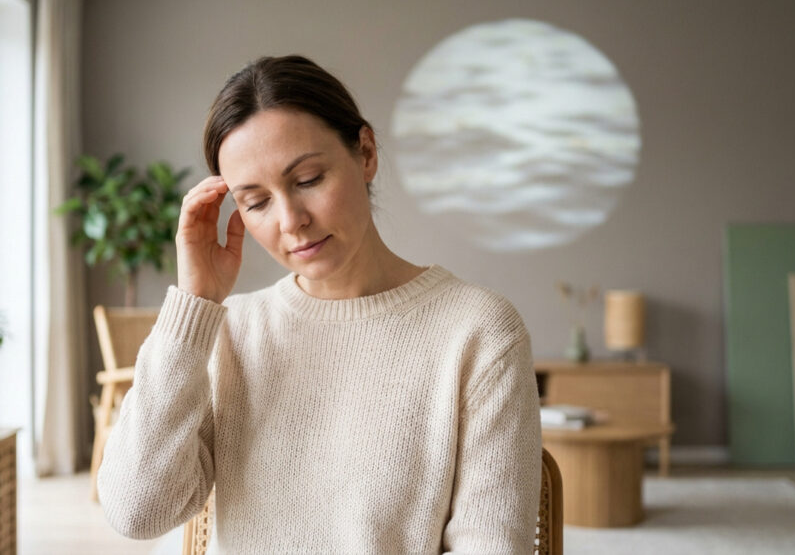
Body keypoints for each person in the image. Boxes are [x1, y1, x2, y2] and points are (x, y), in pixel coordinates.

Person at [97, 55, 541, 553]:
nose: (291, 220)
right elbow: (138, 511)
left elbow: (493, 543)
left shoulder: (477, 331)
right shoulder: (232, 332)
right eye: (256, 202)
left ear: (366, 152)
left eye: (308, 180)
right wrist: (194, 306)